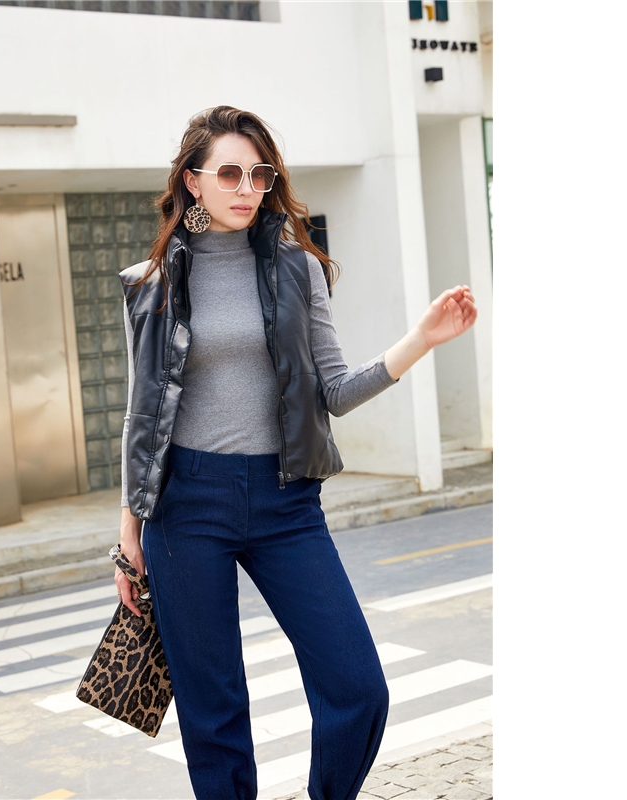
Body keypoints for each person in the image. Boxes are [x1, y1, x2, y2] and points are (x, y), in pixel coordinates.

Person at [114, 105, 477, 800]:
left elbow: (334, 391)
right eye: (229, 173)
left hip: (285, 502)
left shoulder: (296, 268)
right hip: (185, 506)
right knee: (213, 710)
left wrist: (421, 340)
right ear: (192, 180)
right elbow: (143, 412)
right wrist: (128, 532)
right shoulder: (149, 283)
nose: (247, 187)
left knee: (357, 686)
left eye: (260, 174)